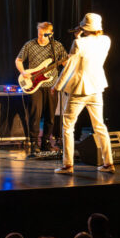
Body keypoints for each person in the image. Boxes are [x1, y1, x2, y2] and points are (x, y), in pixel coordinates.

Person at [53, 13, 114, 174]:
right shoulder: (106, 40)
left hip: (80, 89)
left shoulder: (79, 43)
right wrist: (80, 35)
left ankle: (68, 165)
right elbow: (90, 48)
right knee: (99, 126)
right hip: (97, 87)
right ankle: (108, 163)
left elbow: (69, 67)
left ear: (84, 27)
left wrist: (57, 86)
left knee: (68, 126)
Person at [15, 21, 68, 152]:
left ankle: (46, 142)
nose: (41, 37)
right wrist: (23, 72)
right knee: (35, 115)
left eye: (44, 35)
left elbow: (65, 63)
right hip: (34, 85)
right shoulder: (30, 45)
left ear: (51, 34)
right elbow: (18, 60)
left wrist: (69, 61)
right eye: (39, 34)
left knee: (50, 116)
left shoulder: (57, 46)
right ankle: (33, 143)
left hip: (52, 86)